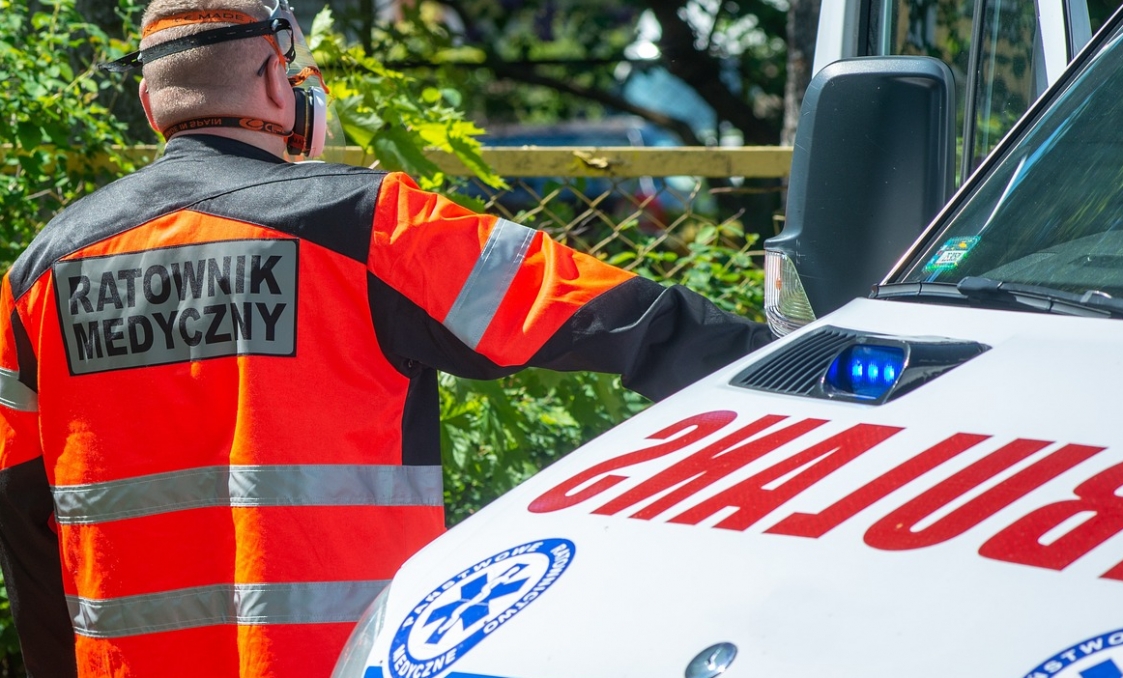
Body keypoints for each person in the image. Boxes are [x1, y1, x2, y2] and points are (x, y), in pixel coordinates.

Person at [0, 1, 773, 676]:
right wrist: (820, 373)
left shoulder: (38, 276)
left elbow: (22, 520)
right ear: (278, 82)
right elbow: (626, 319)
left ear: (148, 101)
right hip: (348, 658)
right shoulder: (367, 223)